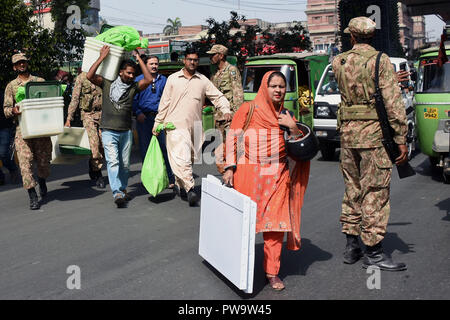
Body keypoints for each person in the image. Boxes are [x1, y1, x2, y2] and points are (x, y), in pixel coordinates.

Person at [332, 17, 408, 271]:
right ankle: (373, 252)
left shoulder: (338, 61)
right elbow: (393, 103)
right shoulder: (380, 61)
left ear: (352, 37)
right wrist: (401, 138)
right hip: (374, 136)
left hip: (348, 136)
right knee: (374, 192)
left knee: (352, 188)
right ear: (371, 37)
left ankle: (352, 245)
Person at [222, 71, 310, 291]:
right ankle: (238, 268)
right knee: (245, 226)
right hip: (248, 175)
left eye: (282, 86)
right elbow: (233, 137)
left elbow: (299, 147)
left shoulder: (287, 115)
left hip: (278, 177)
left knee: (275, 227)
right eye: (274, 86)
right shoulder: (248, 109)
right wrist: (230, 167)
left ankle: (272, 272)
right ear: (265, 87)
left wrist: (292, 126)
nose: (278, 90)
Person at [153, 47, 231, 206]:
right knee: (182, 159)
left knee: (188, 159)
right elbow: (164, 103)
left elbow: (217, 96)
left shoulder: (202, 80)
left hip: (195, 128)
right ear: (184, 60)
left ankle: (181, 186)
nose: (193, 62)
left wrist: (225, 109)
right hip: (175, 126)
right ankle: (190, 190)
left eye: (195, 60)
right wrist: (157, 122)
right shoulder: (173, 79)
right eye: (190, 59)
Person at [87, 45, 151, 208]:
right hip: (108, 131)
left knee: (125, 164)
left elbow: (149, 79)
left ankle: (122, 190)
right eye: (128, 73)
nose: (131, 76)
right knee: (113, 162)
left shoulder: (133, 87)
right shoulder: (107, 83)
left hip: (126, 132)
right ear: (120, 71)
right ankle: (117, 193)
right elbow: (89, 75)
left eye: (133, 73)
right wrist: (102, 57)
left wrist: (139, 60)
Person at [3, 53, 52, 210]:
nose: (22, 64)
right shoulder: (11, 86)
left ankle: (42, 181)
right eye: (18, 63)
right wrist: (13, 110)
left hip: (41, 128)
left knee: (43, 162)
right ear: (14, 67)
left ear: (27, 64)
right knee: (25, 163)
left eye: (23, 62)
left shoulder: (39, 82)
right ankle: (32, 195)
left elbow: (50, 101)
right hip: (23, 129)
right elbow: (5, 109)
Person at [132, 55, 175, 188]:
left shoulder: (164, 80)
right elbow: (133, 99)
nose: (154, 66)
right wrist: (138, 113)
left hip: (160, 119)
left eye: (156, 64)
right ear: (145, 65)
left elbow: (169, 99)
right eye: (151, 64)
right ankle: (150, 179)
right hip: (144, 119)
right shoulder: (139, 80)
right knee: (146, 150)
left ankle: (170, 178)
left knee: (164, 148)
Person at [65, 71, 105, 188]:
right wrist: (69, 118)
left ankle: (92, 165)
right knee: (94, 144)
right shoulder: (81, 78)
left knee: (103, 145)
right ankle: (98, 174)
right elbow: (75, 99)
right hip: (88, 114)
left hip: (102, 114)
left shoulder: (102, 74)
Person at [208, 44, 244, 139]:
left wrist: (236, 115)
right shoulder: (215, 73)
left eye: (213, 54)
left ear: (221, 55)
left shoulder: (231, 70)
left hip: (229, 117)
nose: (210, 57)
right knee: (221, 147)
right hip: (218, 117)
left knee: (231, 146)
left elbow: (238, 94)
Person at [0, 88, 20, 185]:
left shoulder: (2, 94)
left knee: (3, 153)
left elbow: (8, 109)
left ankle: (12, 169)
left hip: (4, 127)